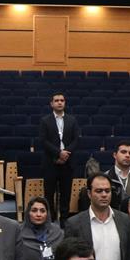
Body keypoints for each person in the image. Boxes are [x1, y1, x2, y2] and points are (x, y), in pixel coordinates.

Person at [39, 93, 80, 221]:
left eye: (62, 100)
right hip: (51, 163)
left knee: (66, 195)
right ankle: (50, 221)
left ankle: (64, 222)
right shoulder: (45, 120)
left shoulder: (72, 120)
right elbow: (43, 141)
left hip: (68, 163)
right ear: (51, 104)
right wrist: (58, 153)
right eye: (56, 100)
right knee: (49, 195)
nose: (59, 102)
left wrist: (65, 153)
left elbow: (76, 140)